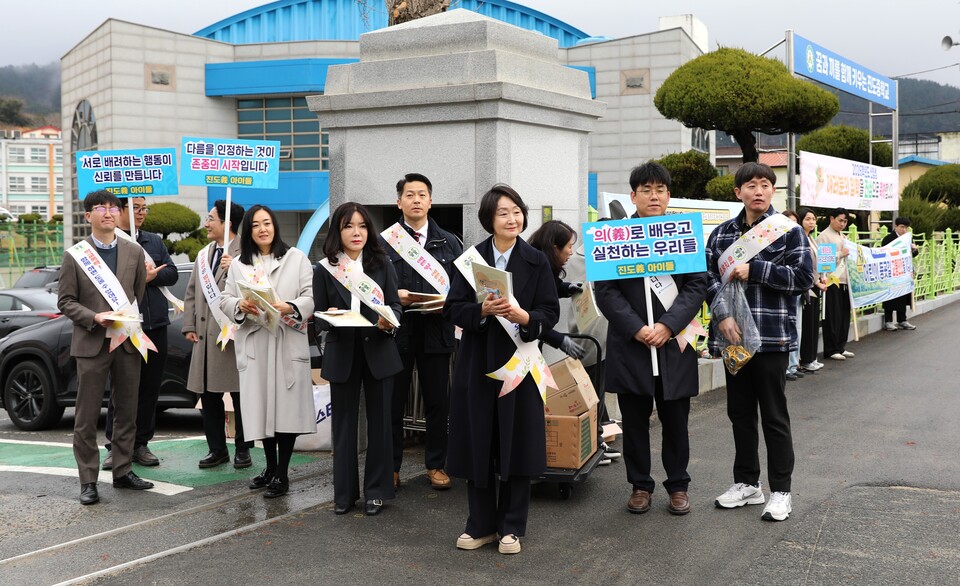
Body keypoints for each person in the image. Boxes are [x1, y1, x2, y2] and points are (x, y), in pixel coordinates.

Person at [445, 185, 560, 555]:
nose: (513, 219)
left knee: (516, 442)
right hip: (477, 363)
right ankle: (479, 525)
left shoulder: (536, 260)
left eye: (517, 212)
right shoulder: (470, 260)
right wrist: (481, 312)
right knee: (479, 441)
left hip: (519, 365)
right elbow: (453, 308)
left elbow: (549, 311)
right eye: (504, 213)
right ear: (489, 220)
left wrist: (525, 317)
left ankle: (511, 526)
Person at [595, 162, 707, 516]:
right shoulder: (613, 235)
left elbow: (696, 286)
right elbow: (606, 292)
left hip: (673, 344)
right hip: (632, 346)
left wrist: (667, 326)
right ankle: (640, 485)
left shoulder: (683, 234)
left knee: (676, 422)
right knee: (635, 420)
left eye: (660, 189)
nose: (654, 196)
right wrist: (638, 328)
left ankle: (678, 485)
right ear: (633, 196)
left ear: (669, 195)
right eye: (646, 190)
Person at [706, 163, 814, 522]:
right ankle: (747, 484)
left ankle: (781, 490)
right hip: (733, 337)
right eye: (750, 185)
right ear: (738, 192)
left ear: (772, 191)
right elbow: (708, 281)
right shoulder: (721, 236)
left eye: (765, 185)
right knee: (739, 414)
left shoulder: (788, 232)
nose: (758, 191)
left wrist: (757, 270)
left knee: (773, 416)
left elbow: (803, 277)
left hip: (771, 337)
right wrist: (723, 316)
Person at [57, 190, 154, 505]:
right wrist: (93, 317)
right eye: (101, 208)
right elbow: (66, 301)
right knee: (86, 416)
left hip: (126, 341)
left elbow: (137, 291)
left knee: (127, 409)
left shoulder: (133, 251)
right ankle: (88, 480)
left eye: (114, 207)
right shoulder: (76, 255)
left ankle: (123, 471)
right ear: (88, 216)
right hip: (91, 343)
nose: (109, 212)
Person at [219, 204, 315, 498]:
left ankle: (282, 474)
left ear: (275, 226)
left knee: (285, 412)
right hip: (257, 345)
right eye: (256, 225)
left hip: (286, 341)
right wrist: (239, 305)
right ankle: (270, 467)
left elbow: (311, 297)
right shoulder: (239, 264)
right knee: (261, 411)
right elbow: (225, 299)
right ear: (248, 231)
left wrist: (292, 307)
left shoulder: (296, 258)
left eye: (267, 223)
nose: (263, 229)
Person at [315, 202, 403, 516]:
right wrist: (331, 317)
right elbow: (319, 317)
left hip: (378, 350)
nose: (356, 232)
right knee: (344, 427)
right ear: (338, 231)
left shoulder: (383, 264)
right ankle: (344, 494)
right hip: (343, 353)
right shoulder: (325, 268)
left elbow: (395, 306)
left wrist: (388, 321)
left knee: (380, 426)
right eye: (349, 226)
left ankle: (377, 492)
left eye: (362, 226)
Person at [381, 173, 461, 491]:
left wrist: (450, 303)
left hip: (436, 330)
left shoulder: (450, 241)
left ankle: (436, 464)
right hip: (398, 332)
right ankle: (391, 466)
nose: (416, 200)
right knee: (393, 401)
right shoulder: (384, 242)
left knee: (438, 401)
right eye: (410, 194)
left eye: (422, 194)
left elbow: (462, 287)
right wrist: (393, 297)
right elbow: (372, 288)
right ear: (398, 202)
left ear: (431, 201)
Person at [529, 220, 621, 465]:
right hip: (522, 351)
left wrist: (565, 287)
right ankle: (584, 445)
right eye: (568, 246)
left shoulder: (543, 264)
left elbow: (549, 289)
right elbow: (529, 314)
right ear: (554, 246)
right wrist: (558, 340)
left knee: (592, 391)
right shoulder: (534, 265)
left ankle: (591, 442)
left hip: (536, 347)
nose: (572, 250)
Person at [101, 196, 178, 470]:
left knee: (149, 388)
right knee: (122, 388)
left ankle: (141, 444)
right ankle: (115, 445)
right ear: (120, 211)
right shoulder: (111, 243)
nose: (141, 213)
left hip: (155, 324)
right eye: (135, 208)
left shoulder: (153, 242)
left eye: (144, 208)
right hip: (125, 327)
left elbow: (172, 273)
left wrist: (155, 276)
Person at [182, 200, 254, 469]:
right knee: (208, 396)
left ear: (228, 224)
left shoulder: (246, 253)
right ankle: (217, 448)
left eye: (211, 218)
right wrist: (189, 325)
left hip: (233, 337)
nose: (206, 223)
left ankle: (243, 448)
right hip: (205, 338)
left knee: (239, 394)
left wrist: (236, 264)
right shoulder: (203, 254)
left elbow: (255, 289)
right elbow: (191, 293)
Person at [817, 208, 855, 361]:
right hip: (832, 281)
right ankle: (831, 349)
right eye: (840, 220)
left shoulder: (842, 236)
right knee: (833, 316)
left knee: (844, 316)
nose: (842, 224)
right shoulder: (825, 236)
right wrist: (840, 253)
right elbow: (823, 262)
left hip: (845, 281)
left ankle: (840, 346)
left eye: (845, 221)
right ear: (831, 218)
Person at [798, 208, 827, 374]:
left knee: (813, 324)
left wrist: (823, 277)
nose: (811, 222)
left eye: (814, 219)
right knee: (807, 324)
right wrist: (816, 281)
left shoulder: (812, 239)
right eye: (808, 219)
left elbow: (820, 264)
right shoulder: (800, 238)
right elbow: (804, 265)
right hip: (807, 287)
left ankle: (812, 357)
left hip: (816, 286)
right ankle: (807, 359)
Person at [881, 216, 920, 331]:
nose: (904, 230)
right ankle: (888, 321)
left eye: (906, 228)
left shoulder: (908, 239)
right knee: (890, 296)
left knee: (903, 295)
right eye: (902, 227)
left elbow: (912, 255)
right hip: (891, 272)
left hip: (904, 273)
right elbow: (884, 254)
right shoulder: (888, 239)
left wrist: (915, 250)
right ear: (895, 226)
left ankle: (902, 320)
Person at [781, 210, 803, 382]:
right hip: (780, 295)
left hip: (797, 291)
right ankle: (788, 367)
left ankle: (793, 365)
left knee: (796, 329)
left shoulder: (800, 239)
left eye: (795, 222)